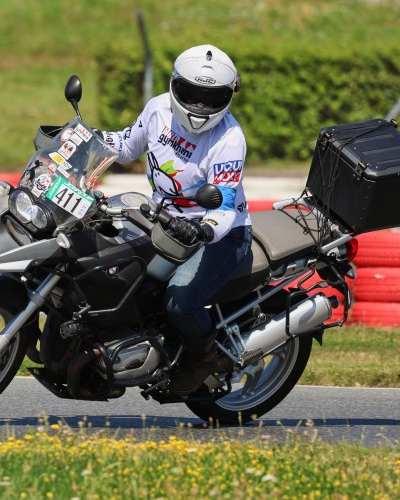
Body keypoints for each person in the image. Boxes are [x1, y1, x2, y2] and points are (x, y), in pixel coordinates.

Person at [99, 44, 253, 396]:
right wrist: (82, 138)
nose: (199, 106)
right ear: (175, 85)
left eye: (210, 97)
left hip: (218, 236)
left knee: (178, 302)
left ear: (229, 96)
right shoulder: (157, 109)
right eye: (191, 93)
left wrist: (203, 228)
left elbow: (225, 206)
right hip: (161, 220)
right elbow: (126, 145)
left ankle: (203, 359)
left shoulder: (229, 139)